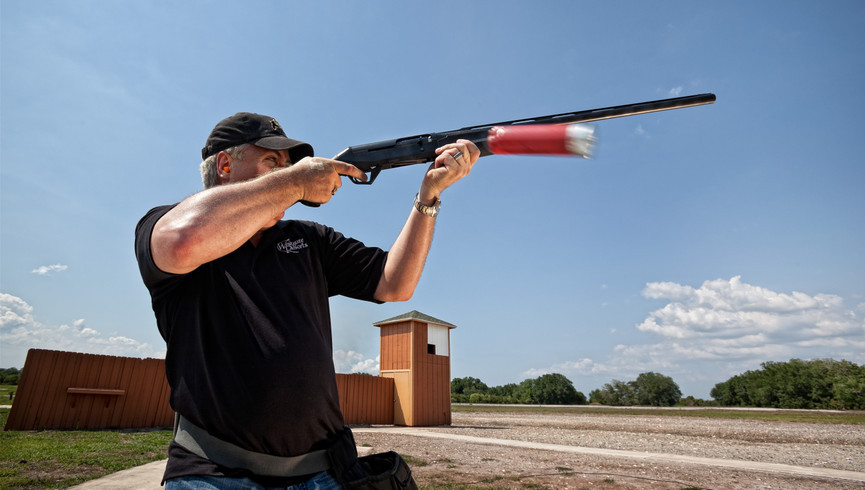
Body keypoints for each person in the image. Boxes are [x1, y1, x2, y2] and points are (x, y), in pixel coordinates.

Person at [134, 112, 478, 489]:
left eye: (289, 164)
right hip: (213, 473)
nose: (287, 171)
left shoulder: (309, 238)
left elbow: (394, 283)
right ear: (226, 164)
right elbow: (181, 243)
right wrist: (297, 180)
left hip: (323, 473)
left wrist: (428, 197)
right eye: (272, 161)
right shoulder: (170, 224)